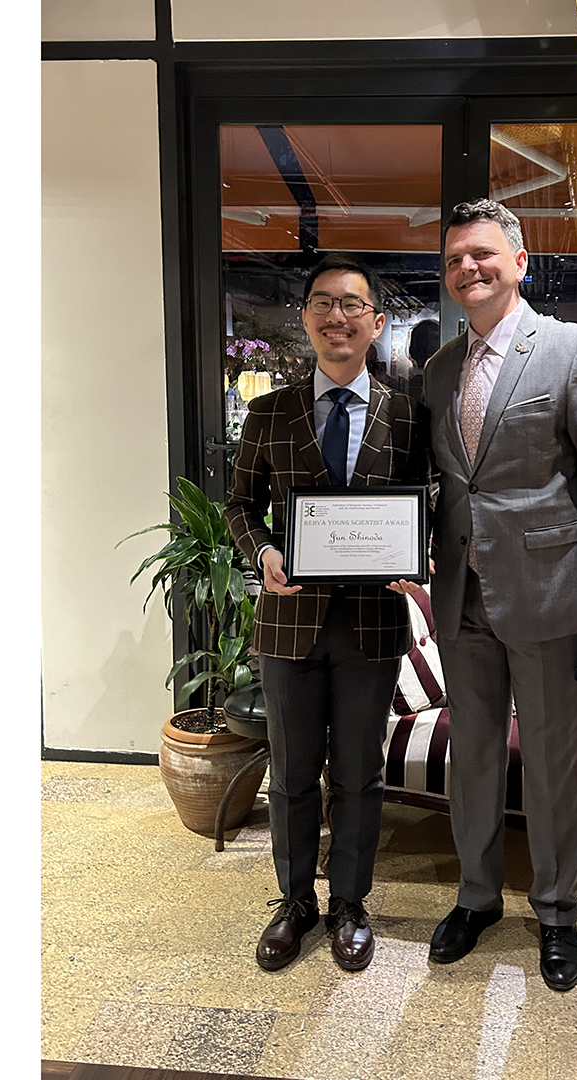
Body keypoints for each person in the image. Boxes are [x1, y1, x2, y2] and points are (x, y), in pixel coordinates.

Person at [392, 199, 577, 992]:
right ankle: (475, 898)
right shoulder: (435, 370)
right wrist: (394, 546)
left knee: (552, 761)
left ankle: (558, 911)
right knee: (472, 758)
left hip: (552, 595)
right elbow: (436, 483)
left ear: (519, 261)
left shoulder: (573, 351)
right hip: (459, 592)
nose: (469, 266)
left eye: (484, 253)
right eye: (456, 256)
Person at [224, 253, 432, 974]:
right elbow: (239, 505)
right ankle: (294, 902)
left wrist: (417, 560)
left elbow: (423, 510)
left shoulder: (408, 414)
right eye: (321, 303)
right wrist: (264, 553)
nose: (335, 317)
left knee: (358, 774)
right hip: (288, 625)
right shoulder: (269, 412)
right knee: (289, 774)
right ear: (306, 318)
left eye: (351, 305)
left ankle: (349, 901)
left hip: (372, 625)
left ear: (376, 323)